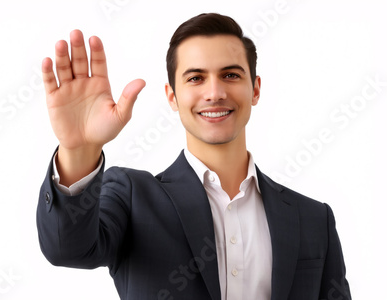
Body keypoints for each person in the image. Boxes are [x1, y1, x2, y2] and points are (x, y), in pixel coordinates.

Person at [36, 13, 351, 300]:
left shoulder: (313, 219)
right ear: (172, 96)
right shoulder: (133, 197)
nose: (214, 93)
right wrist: (79, 149)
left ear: (255, 90)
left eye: (230, 75)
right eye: (196, 78)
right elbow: (68, 248)